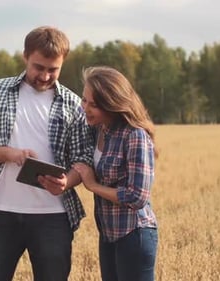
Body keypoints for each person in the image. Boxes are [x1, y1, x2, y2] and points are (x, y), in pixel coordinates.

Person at [0, 26, 93, 281]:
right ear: (25, 57)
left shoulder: (73, 104)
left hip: (53, 217)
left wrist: (66, 182)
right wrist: (10, 154)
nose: (44, 75)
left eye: (53, 70)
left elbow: (82, 159)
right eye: (38, 67)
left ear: (63, 63)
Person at [73, 66, 158, 281]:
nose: (85, 109)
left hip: (134, 234)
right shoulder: (97, 129)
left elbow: (137, 197)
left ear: (112, 104)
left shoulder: (134, 136)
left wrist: (93, 186)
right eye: (84, 101)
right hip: (108, 234)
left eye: (94, 105)